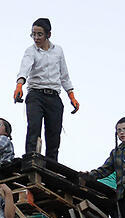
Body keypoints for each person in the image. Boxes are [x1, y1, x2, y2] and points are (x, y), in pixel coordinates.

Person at [14, 17, 77, 160]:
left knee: (53, 136)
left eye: (39, 34)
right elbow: (24, 68)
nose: (36, 38)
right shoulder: (31, 51)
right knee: (34, 129)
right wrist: (19, 85)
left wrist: (71, 96)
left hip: (54, 96)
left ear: (48, 35)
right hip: (36, 95)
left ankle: (51, 167)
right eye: (33, 34)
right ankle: (31, 161)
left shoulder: (58, 51)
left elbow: (64, 76)